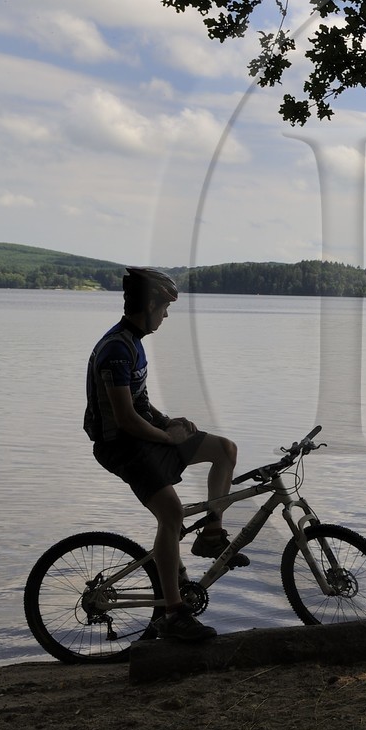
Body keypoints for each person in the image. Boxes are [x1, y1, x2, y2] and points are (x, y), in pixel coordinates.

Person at [84, 266, 238, 643]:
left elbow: (141, 403)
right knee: (170, 513)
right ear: (150, 304)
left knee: (225, 450)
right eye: (165, 308)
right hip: (119, 446)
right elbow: (125, 420)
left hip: (143, 436)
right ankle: (172, 613)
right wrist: (166, 438)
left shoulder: (134, 343)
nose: (166, 316)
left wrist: (170, 422)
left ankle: (211, 535)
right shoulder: (116, 350)